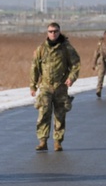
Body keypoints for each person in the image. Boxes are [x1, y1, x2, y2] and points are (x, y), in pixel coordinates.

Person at [30, 22, 80, 151]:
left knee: (60, 114)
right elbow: (35, 67)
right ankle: (42, 141)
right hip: (45, 86)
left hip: (60, 86)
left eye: (55, 31)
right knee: (44, 112)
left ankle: (58, 141)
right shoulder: (41, 49)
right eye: (51, 31)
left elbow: (75, 64)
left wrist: (71, 78)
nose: (53, 34)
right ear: (47, 33)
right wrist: (33, 86)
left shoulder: (66, 48)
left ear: (59, 32)